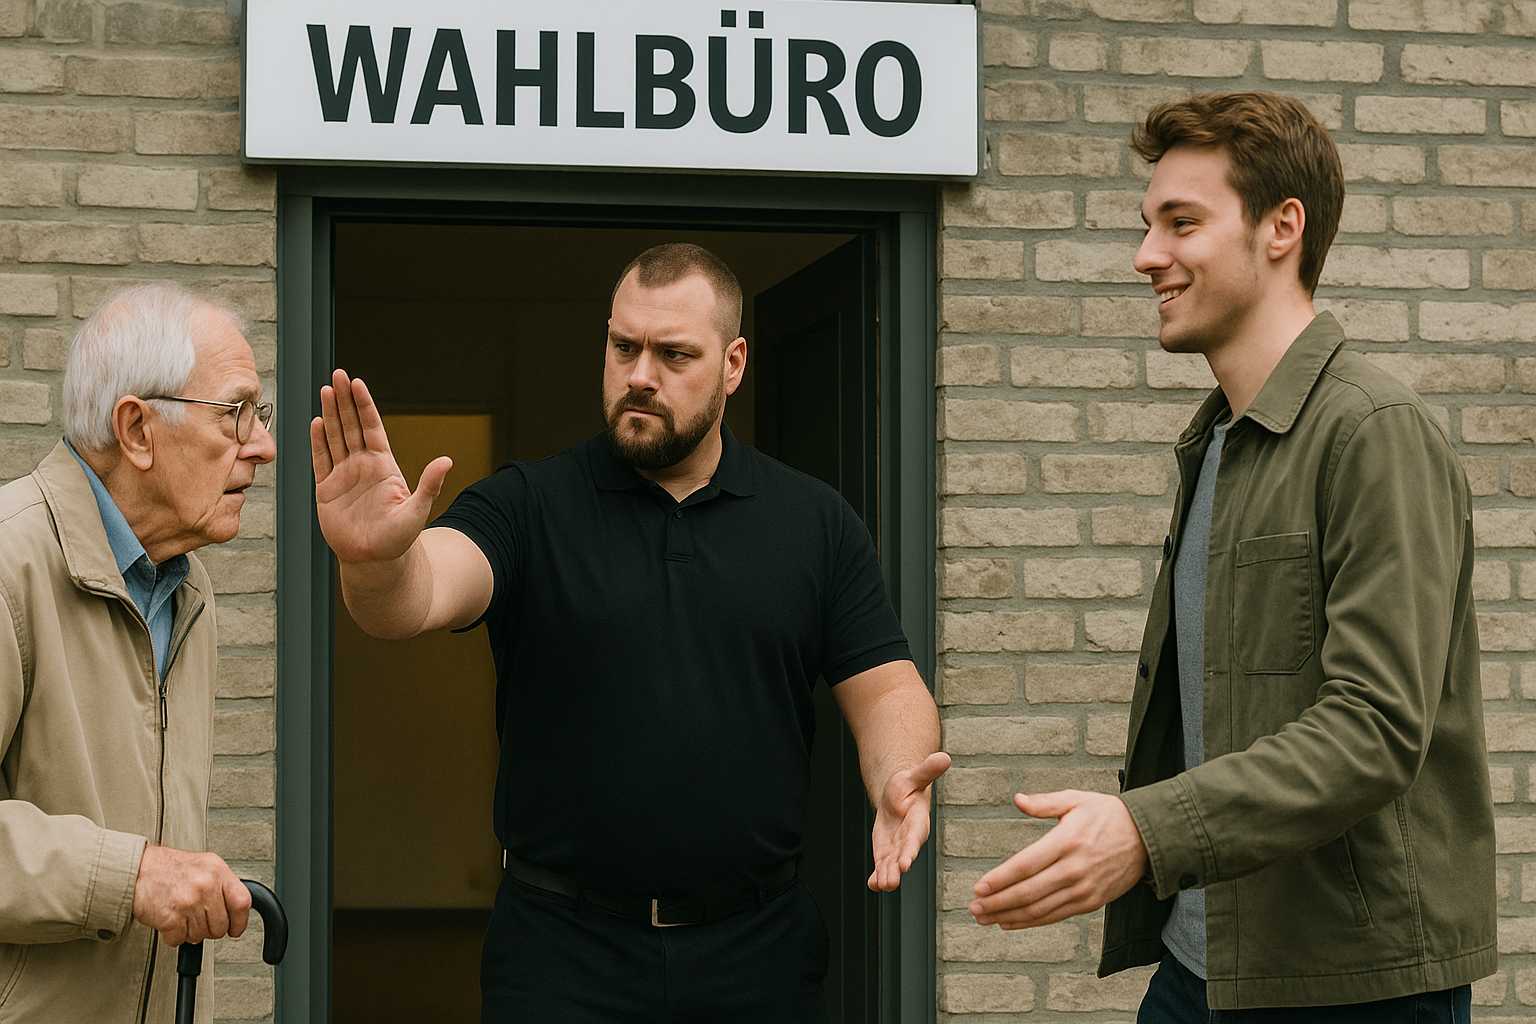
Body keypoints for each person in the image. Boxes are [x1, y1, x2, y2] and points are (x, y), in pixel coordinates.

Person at [311, 242, 950, 1022]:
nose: (640, 374)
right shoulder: (530, 505)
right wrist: (375, 560)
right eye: (623, 347)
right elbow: (418, 595)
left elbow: (885, 684)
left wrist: (898, 773)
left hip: (756, 955)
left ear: (735, 362)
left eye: (674, 353)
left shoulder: (814, 523)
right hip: (560, 956)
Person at [967, 92, 1495, 1022]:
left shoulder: (1374, 433)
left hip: (1350, 989)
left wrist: (1145, 828)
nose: (1147, 256)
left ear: (1281, 227)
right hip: (1201, 969)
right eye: (1147, 225)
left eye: (1183, 223)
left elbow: (1374, 729)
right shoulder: (1215, 442)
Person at [0, 283, 277, 1020]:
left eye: (261, 414)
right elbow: (144, 873)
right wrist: (133, 876)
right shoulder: (9, 563)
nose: (263, 444)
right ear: (138, 430)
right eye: (235, 412)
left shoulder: (189, 591)